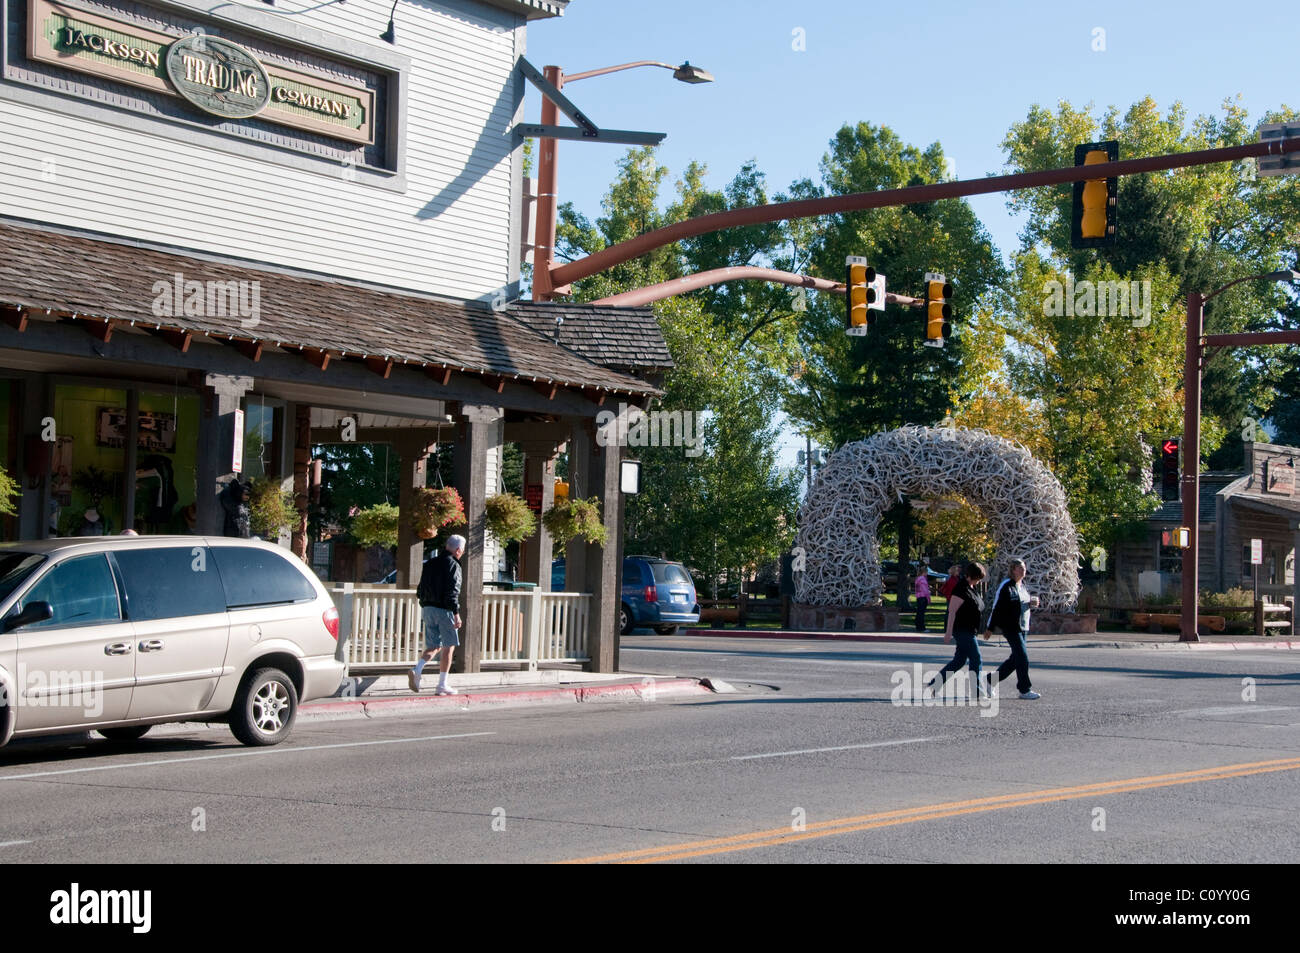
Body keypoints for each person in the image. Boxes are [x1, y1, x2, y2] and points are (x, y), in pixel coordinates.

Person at [410, 534, 465, 696]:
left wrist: (425, 602)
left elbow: (420, 590)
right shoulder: (453, 564)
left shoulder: (430, 563)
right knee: (448, 646)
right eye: (462, 550)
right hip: (444, 610)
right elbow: (453, 591)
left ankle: (417, 669)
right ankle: (442, 684)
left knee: (433, 646)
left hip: (428, 609)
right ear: (458, 550)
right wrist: (456, 613)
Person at [928, 562, 990, 698]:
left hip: (970, 629)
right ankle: (977, 691)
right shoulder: (961, 588)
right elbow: (952, 611)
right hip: (962, 630)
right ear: (971, 576)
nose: (979, 581)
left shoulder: (972, 587)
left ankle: (935, 684)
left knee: (959, 661)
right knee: (976, 658)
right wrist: (948, 632)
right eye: (978, 578)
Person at [984, 558, 1041, 700]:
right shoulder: (1007, 586)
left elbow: (1022, 604)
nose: (1024, 570)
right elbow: (997, 607)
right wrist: (990, 628)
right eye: (1020, 568)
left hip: (1023, 626)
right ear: (1013, 569)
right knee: (1022, 657)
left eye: (1024, 568)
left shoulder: (1022, 586)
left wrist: (1033, 602)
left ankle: (991, 680)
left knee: (1015, 659)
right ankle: (1024, 689)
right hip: (1011, 627)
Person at [913, 563, 931, 632]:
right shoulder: (923, 580)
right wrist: (928, 599)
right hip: (923, 597)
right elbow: (925, 591)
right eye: (927, 572)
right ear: (924, 572)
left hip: (918, 597)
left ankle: (918, 626)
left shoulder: (917, 579)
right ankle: (922, 628)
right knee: (921, 614)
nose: (927, 574)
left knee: (919, 613)